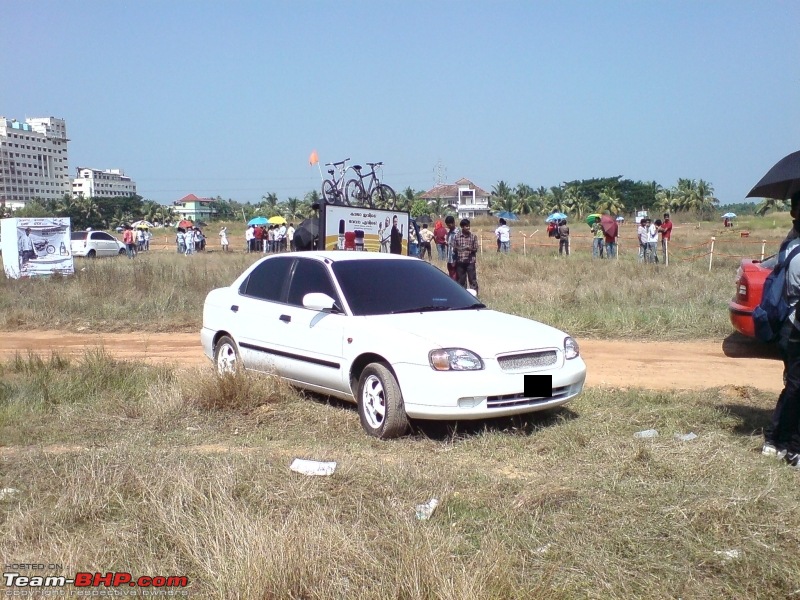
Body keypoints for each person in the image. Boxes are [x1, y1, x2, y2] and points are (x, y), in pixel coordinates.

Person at [763, 191, 800, 468]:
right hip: (795, 328)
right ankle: (784, 443)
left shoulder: (790, 244)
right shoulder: (795, 249)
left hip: (790, 328)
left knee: (794, 387)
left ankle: (779, 440)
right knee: (796, 388)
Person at [452, 218, 479, 295]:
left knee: (472, 280)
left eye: (469, 226)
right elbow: (454, 249)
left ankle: (475, 297)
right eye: (466, 226)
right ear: (462, 227)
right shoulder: (457, 237)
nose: (468, 228)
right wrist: (458, 249)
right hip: (460, 262)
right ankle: (463, 296)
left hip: (470, 262)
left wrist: (471, 249)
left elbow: (476, 249)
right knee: (461, 281)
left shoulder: (473, 237)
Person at [444, 215, 458, 280]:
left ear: (453, 223)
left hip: (455, 258)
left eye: (449, 225)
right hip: (449, 258)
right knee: (451, 275)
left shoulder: (458, 232)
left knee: (455, 276)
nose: (449, 227)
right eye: (447, 225)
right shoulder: (449, 232)